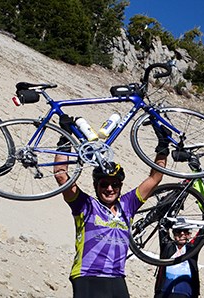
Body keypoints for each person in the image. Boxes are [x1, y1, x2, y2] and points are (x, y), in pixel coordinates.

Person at [53, 116, 169, 298]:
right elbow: (61, 176)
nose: (109, 188)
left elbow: (155, 178)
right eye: (104, 184)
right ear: (96, 186)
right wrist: (65, 138)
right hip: (87, 275)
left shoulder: (128, 204)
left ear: (120, 187)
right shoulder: (85, 204)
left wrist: (163, 147)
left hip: (117, 277)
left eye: (115, 185)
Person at [154, 226, 201, 298]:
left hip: (186, 294)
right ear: (174, 234)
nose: (182, 234)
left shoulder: (192, 249)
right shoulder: (167, 246)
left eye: (185, 231)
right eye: (178, 231)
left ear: (189, 235)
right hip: (163, 292)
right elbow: (162, 228)